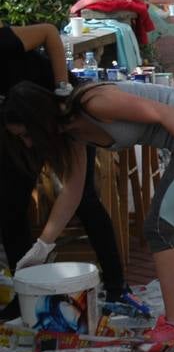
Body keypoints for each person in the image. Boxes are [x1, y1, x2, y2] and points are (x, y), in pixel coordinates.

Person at [2, 81, 174, 344]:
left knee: (159, 227)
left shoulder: (93, 102)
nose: (29, 143)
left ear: (39, 120)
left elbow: (166, 114)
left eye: (26, 134)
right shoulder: (72, 132)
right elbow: (73, 192)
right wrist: (43, 244)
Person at [0, 23, 133, 319]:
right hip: (20, 126)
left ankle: (116, 285)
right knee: (9, 204)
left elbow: (48, 31)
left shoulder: (4, 41)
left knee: (83, 197)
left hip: (60, 112)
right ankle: (27, 290)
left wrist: (62, 89)